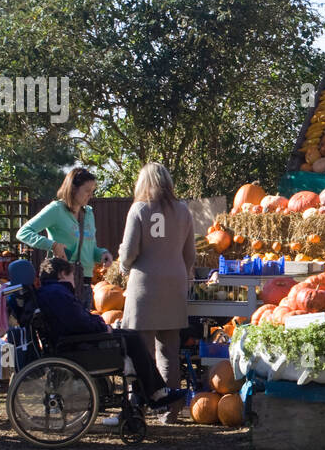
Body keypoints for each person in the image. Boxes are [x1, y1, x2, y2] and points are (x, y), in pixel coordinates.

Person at [33, 257, 186, 412]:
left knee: (131, 336)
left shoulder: (51, 292)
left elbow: (76, 319)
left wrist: (99, 324)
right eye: (72, 276)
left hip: (72, 342)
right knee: (132, 338)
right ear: (62, 274)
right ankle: (154, 393)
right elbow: (78, 322)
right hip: (78, 346)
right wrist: (102, 327)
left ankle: (150, 393)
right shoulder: (58, 294)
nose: (74, 280)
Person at [118, 163, 196, 422]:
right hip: (174, 286)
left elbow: (129, 252)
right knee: (169, 353)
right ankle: (170, 412)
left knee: (140, 350)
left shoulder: (139, 209)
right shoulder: (183, 211)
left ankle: (137, 407)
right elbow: (190, 255)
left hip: (145, 287)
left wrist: (122, 264)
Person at [16, 166, 113, 310]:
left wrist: (103, 254)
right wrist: (52, 245)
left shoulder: (88, 214)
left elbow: (91, 249)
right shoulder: (56, 209)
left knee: (84, 331)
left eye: (92, 191)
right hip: (60, 282)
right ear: (73, 188)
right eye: (87, 191)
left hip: (84, 283)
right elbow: (23, 232)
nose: (90, 195)